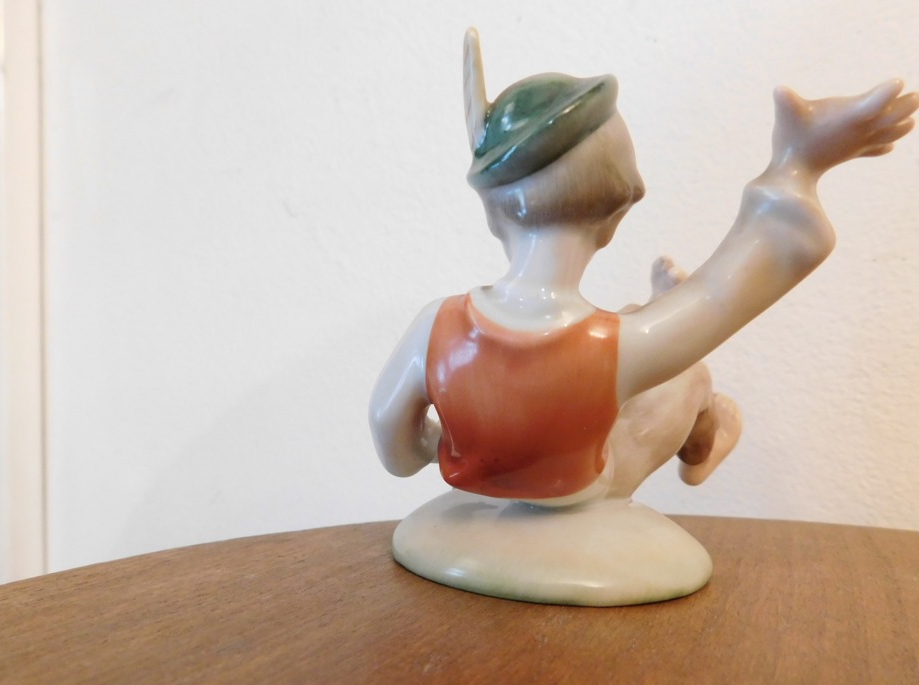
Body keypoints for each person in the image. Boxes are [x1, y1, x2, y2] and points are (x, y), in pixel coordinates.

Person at [370, 28, 918, 509]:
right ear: (616, 212)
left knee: (645, 322)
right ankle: (705, 439)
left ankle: (667, 324)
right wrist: (799, 165)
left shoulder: (435, 324)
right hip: (585, 488)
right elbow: (728, 288)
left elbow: (391, 440)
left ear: (493, 211)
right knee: (688, 370)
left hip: (477, 483)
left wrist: (451, 444)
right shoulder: (620, 347)